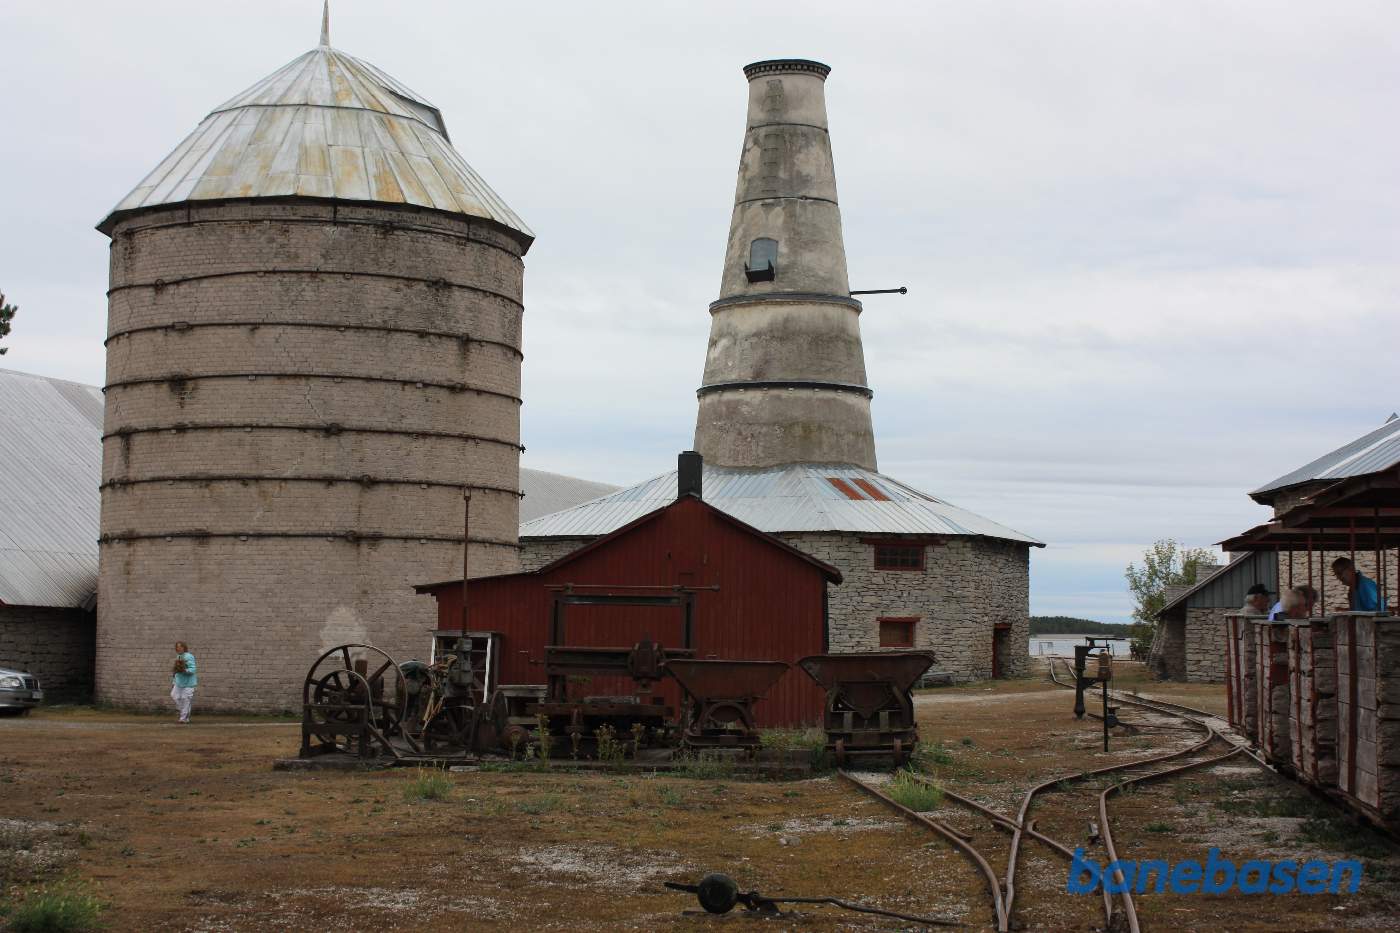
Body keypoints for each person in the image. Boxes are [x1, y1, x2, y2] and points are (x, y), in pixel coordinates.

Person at [170, 642, 197, 724]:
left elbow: (193, 669)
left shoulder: (189, 656)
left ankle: (183, 718)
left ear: (184, 647)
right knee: (174, 696)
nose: (178, 648)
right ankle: (185, 713)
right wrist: (173, 681)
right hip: (179, 682)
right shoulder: (178, 656)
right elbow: (176, 671)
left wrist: (185, 670)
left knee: (186, 699)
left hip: (188, 683)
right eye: (177, 647)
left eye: (180, 647)